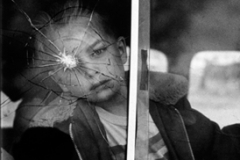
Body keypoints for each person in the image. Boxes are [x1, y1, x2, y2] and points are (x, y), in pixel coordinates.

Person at [13, 0, 240, 160]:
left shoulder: (174, 115)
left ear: (121, 51)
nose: (91, 71)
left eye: (97, 52)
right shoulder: (64, 136)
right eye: (70, 64)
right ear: (61, 80)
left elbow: (221, 147)